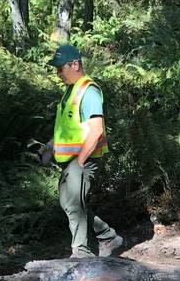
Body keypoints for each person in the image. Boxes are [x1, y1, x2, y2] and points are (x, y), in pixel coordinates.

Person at [42, 43, 123, 259]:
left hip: (84, 159)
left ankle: (81, 253)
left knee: (74, 205)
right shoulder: (70, 91)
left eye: (61, 68)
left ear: (75, 64)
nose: (58, 73)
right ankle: (107, 236)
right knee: (68, 204)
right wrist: (50, 147)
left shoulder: (89, 91)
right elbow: (67, 129)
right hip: (72, 160)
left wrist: (80, 161)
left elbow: (96, 131)